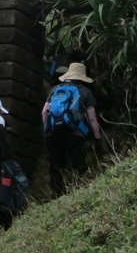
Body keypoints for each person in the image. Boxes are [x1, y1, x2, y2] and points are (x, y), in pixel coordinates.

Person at [42, 62, 103, 197]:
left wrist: (48, 129)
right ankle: (77, 190)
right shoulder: (86, 92)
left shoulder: (55, 90)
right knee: (77, 163)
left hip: (54, 133)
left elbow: (44, 112)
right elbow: (92, 118)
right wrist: (97, 138)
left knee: (56, 165)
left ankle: (57, 193)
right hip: (75, 133)